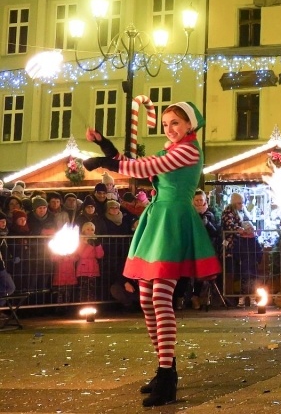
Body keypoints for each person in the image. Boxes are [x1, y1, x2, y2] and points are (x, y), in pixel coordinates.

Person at [83, 101, 220, 407]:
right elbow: (132, 162)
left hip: (172, 221)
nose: (169, 128)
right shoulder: (170, 150)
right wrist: (104, 144)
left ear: (190, 125)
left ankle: (168, 377)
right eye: (166, 123)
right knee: (146, 300)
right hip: (157, 219)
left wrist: (101, 162)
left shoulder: (189, 151)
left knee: (160, 298)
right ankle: (164, 368)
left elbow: (143, 169)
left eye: (175, 123)